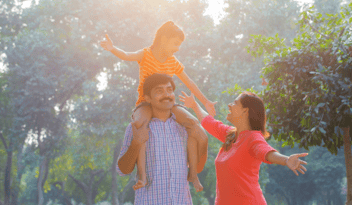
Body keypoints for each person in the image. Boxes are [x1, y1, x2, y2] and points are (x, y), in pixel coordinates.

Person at [101, 20, 214, 192]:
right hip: (145, 103)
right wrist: (112, 48)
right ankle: (142, 176)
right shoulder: (146, 54)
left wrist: (205, 101)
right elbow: (126, 55)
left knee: (193, 125)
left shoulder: (173, 61)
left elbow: (189, 81)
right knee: (139, 126)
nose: (177, 48)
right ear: (163, 39)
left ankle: (192, 174)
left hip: (167, 103)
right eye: (175, 43)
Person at [179, 91, 309, 205]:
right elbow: (209, 122)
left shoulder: (253, 138)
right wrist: (194, 105)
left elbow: (265, 152)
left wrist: (286, 160)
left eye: (234, 103)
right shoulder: (230, 135)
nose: (229, 105)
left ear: (245, 111)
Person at [116, 74, 208, 205]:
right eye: (159, 91)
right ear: (148, 98)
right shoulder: (137, 127)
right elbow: (123, 170)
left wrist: (203, 140)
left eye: (169, 90)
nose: (167, 94)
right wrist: (136, 143)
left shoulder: (185, 129)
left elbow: (198, 167)